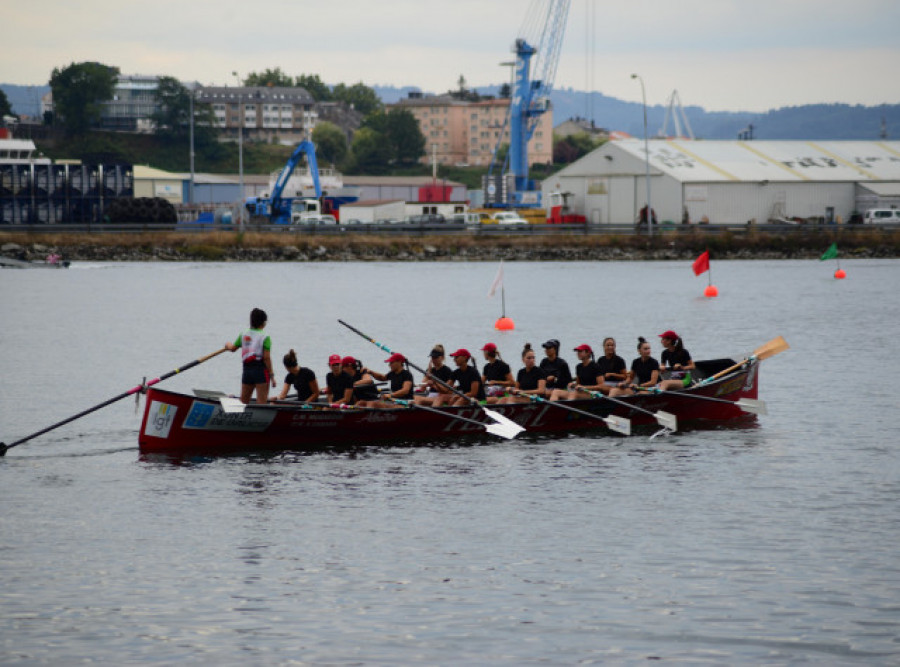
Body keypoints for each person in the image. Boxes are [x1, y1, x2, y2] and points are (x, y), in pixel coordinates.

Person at [225, 307, 276, 404]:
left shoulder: (243, 334)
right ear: (263, 322)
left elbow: (232, 348)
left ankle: (242, 416)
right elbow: (266, 358)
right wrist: (272, 376)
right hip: (260, 370)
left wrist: (227, 344)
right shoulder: (265, 337)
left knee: (243, 402)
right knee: (262, 402)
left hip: (247, 370)